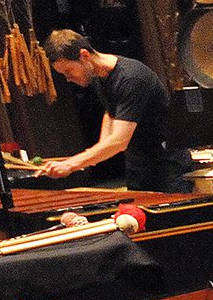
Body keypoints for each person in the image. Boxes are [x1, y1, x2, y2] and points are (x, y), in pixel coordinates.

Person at [37, 31, 193, 193]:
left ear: (84, 55)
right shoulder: (99, 77)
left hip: (167, 168)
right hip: (138, 167)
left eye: (68, 71)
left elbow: (119, 140)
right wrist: (94, 154)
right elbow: (112, 113)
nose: (68, 79)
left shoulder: (131, 78)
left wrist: (71, 164)